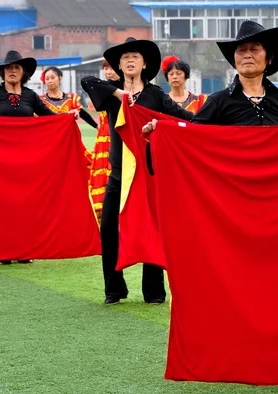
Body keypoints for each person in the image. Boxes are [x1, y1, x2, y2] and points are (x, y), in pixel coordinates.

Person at [82, 37, 194, 305]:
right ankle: (114, 289)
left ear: (144, 64)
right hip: (118, 176)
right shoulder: (111, 94)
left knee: (152, 230)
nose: (130, 61)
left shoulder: (156, 95)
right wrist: (119, 94)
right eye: (125, 58)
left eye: (135, 57)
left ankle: (153, 291)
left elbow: (184, 119)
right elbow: (87, 81)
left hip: (150, 175)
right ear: (119, 65)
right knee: (108, 229)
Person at [0, 50, 76, 265]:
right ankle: (2, 251)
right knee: (2, 203)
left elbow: (50, 118)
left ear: (23, 72)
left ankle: (25, 249)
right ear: (3, 73)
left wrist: (67, 118)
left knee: (26, 202)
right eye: (9, 68)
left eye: (16, 68)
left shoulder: (30, 96)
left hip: (26, 158)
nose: (12, 71)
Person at [144, 21, 278, 131]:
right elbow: (192, 135)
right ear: (234, 61)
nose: (247, 55)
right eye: (241, 50)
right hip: (234, 182)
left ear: (269, 59)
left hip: (275, 181)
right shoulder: (218, 102)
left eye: (254, 49)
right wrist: (163, 131)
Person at [89, 60, 118, 223]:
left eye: (111, 68)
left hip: (117, 136)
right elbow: (87, 81)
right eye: (105, 69)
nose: (108, 72)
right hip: (103, 138)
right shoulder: (101, 90)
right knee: (103, 177)